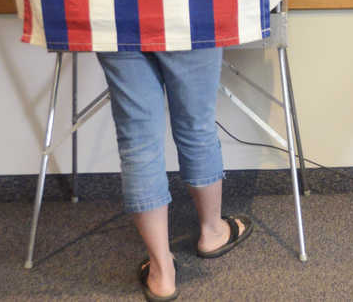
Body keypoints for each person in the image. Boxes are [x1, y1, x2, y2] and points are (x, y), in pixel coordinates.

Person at [96, 49, 253, 300]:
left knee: (138, 142)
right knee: (196, 126)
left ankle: (161, 272)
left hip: (117, 16)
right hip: (188, 14)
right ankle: (213, 232)